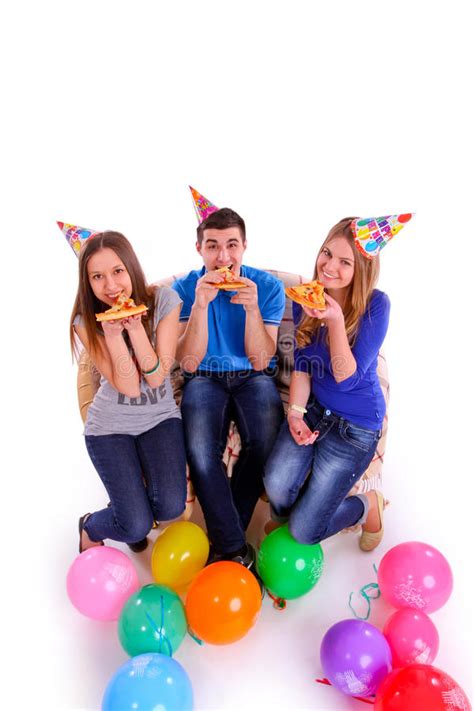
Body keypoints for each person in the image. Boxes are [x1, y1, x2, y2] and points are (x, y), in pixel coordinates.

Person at [263, 217, 389, 550]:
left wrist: (333, 320)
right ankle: (288, 517)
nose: (329, 266)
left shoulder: (376, 305)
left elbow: (347, 379)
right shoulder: (305, 297)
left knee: (305, 532)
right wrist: (295, 413)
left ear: (360, 270)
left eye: (345, 262)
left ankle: (367, 506)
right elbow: (303, 365)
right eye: (326, 253)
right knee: (275, 484)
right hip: (317, 409)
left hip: (356, 427)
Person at [172, 208, 285, 569]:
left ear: (245, 246)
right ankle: (235, 548)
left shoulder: (266, 288)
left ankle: (224, 540)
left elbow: (260, 361)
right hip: (204, 376)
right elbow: (188, 363)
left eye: (232, 245)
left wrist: (252, 311)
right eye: (213, 246)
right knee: (202, 453)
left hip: (254, 376)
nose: (223, 257)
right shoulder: (183, 289)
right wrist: (201, 304)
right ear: (199, 249)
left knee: (265, 445)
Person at [71, 231, 187, 553]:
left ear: (131, 267)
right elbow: (129, 387)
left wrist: (135, 328)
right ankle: (92, 525)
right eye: (98, 276)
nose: (110, 286)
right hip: (109, 429)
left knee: (169, 508)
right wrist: (112, 334)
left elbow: (156, 376)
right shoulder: (87, 320)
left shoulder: (165, 300)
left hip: (160, 419)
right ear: (88, 282)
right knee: (135, 524)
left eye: (117, 272)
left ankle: (128, 507)